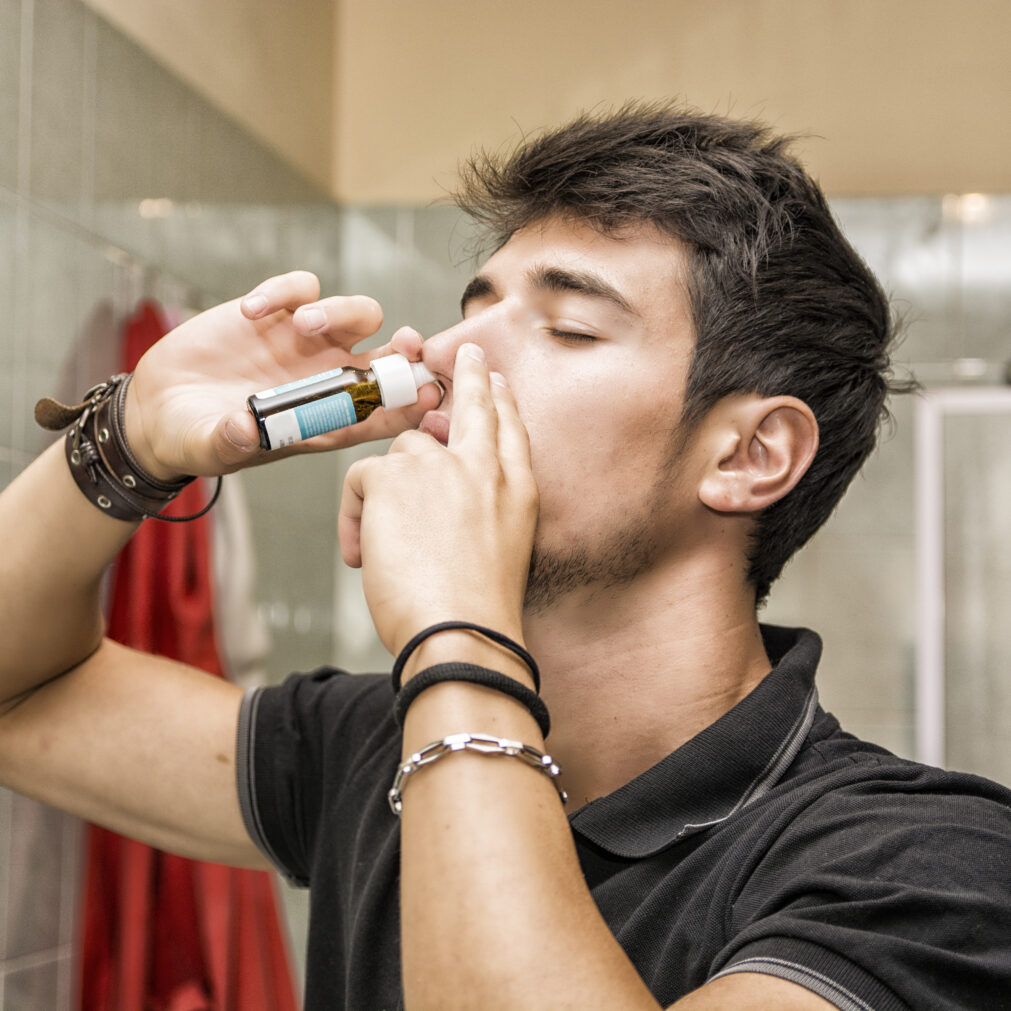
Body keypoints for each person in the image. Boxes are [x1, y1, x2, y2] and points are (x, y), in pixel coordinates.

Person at [1, 103, 1008, 1011]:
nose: (443, 355)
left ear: (749, 455)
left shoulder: (926, 873)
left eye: (568, 326)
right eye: (472, 308)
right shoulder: (378, 746)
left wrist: (456, 633)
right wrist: (129, 442)